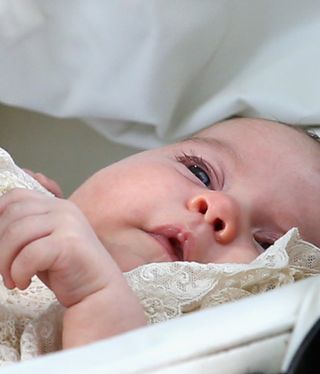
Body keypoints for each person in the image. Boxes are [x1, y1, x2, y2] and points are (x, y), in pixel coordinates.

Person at [0, 117, 320, 352]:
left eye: (267, 245)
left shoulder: (166, 358)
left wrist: (97, 299)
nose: (220, 209)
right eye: (200, 173)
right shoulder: (18, 200)